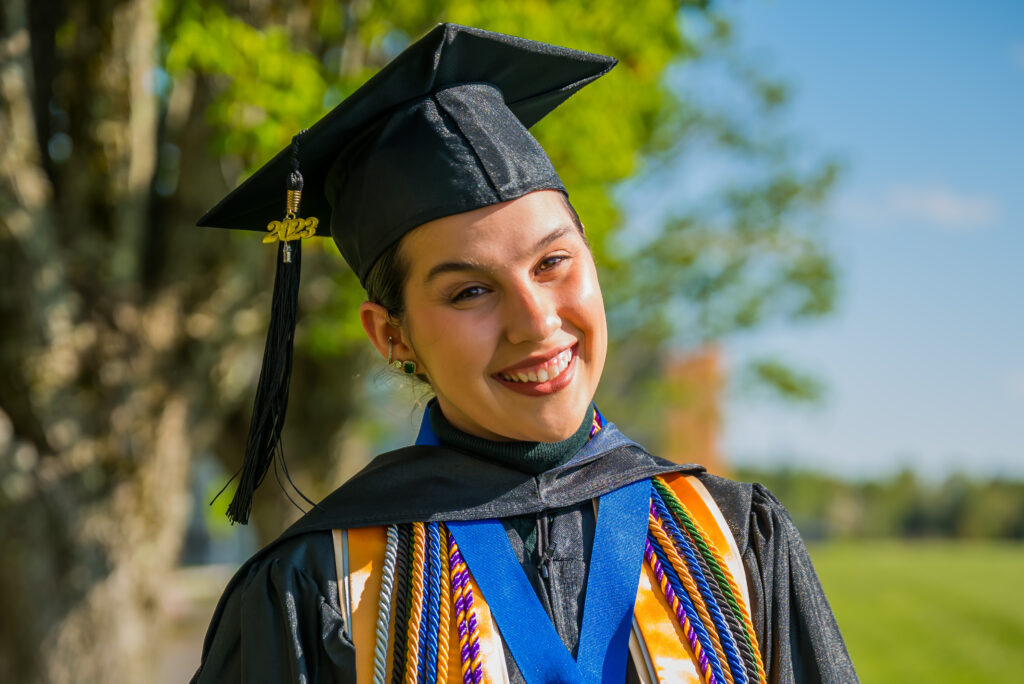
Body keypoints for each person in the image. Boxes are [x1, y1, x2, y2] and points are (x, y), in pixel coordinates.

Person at [191, 23, 857, 684]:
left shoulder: (735, 538)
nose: (535, 323)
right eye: (471, 291)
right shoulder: (321, 584)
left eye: (553, 262)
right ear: (390, 335)